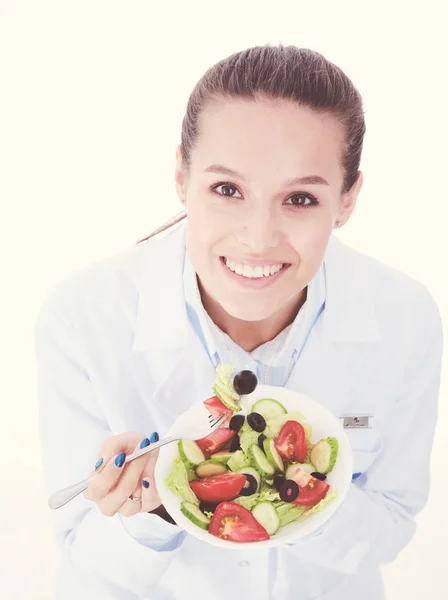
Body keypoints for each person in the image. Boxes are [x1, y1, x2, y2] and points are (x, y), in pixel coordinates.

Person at [34, 44, 443, 600]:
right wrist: (151, 512)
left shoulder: (405, 318)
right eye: (227, 190)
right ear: (182, 176)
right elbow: (84, 553)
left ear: (347, 200)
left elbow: (391, 528)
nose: (258, 237)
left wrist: (300, 493)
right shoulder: (83, 316)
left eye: (300, 198)